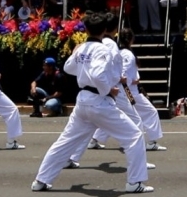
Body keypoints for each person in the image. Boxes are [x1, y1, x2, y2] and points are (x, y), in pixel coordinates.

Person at [31, 11, 154, 194]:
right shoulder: (102, 49)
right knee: (134, 136)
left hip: (83, 101)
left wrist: (82, 65)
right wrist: (108, 89)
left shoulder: (82, 48)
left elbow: (68, 68)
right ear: (104, 30)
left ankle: (40, 180)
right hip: (99, 101)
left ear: (86, 29)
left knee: (65, 142)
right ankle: (135, 183)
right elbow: (97, 74)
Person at [66, 15, 155, 170]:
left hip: (110, 89)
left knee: (90, 123)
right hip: (115, 89)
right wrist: (112, 85)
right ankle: (139, 162)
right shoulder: (111, 45)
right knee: (135, 121)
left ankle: (73, 156)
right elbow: (108, 71)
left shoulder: (97, 44)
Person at [120, 28, 167, 151]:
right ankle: (149, 142)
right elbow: (122, 74)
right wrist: (132, 81)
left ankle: (95, 139)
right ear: (131, 39)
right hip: (129, 91)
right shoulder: (127, 54)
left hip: (129, 90)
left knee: (118, 115)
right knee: (150, 112)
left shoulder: (122, 52)